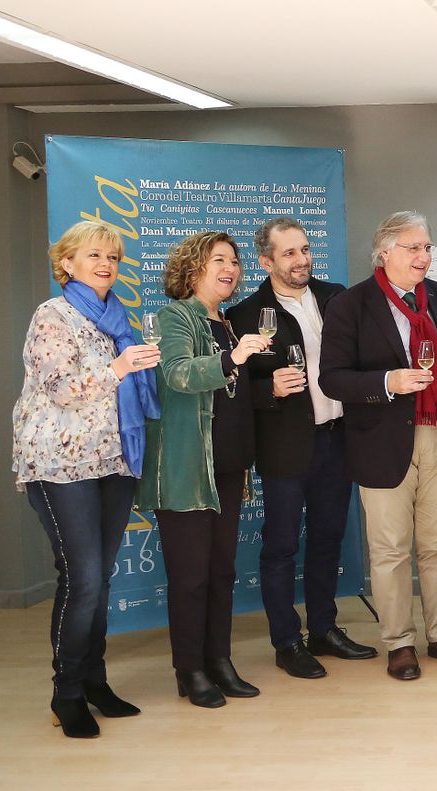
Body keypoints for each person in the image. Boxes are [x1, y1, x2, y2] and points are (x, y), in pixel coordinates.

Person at [14, 220, 160, 737]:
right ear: (68, 263)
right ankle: (67, 692)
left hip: (114, 463)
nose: (105, 264)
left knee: (100, 579)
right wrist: (121, 368)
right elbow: (60, 388)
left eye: (114, 258)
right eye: (94, 255)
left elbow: (126, 385)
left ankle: (95, 680)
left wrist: (144, 367)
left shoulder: (119, 318)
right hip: (60, 465)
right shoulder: (51, 315)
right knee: (84, 579)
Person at [318, 211, 437, 681]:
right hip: (380, 440)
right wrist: (389, 380)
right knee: (389, 549)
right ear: (384, 253)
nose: (424, 257)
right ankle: (399, 643)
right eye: (413, 248)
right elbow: (331, 379)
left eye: (427, 247)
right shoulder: (352, 304)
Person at [227, 218, 374, 680]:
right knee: (282, 546)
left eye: (305, 250)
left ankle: (324, 630)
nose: (302, 260)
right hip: (285, 447)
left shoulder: (338, 297)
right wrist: (268, 388)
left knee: (330, 539)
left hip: (337, 439)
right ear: (265, 261)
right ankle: (287, 642)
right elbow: (232, 391)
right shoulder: (244, 316)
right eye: (289, 253)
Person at [138, 231, 269, 708]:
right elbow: (176, 373)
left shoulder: (229, 323)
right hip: (188, 468)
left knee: (221, 571)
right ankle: (189, 670)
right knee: (191, 575)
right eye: (219, 259)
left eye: (234, 261)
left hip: (229, 467)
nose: (230, 268)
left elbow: (232, 396)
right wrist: (231, 359)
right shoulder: (177, 316)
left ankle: (219, 661)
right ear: (194, 267)